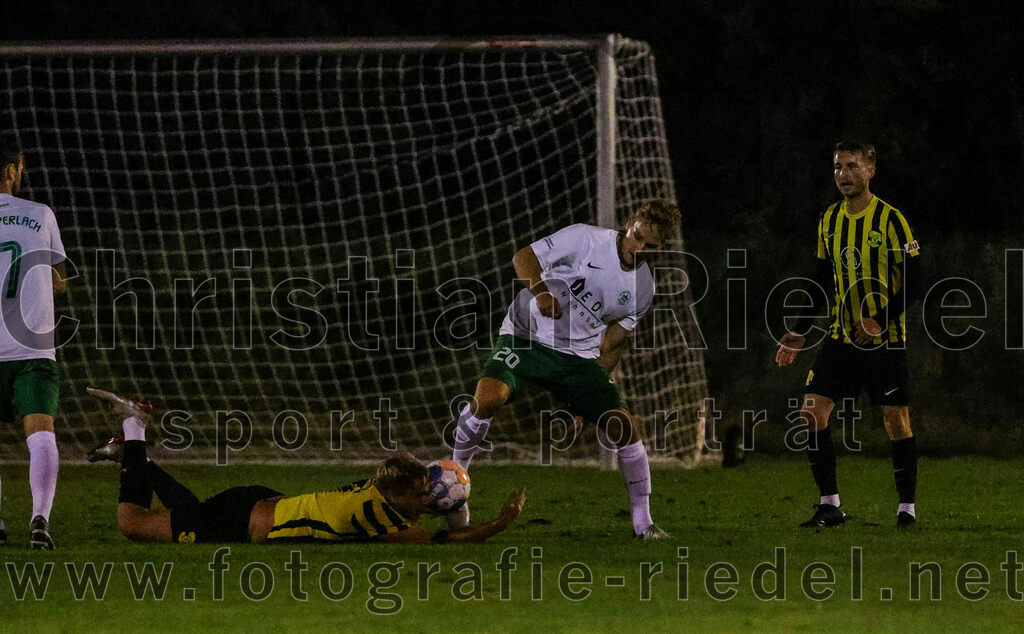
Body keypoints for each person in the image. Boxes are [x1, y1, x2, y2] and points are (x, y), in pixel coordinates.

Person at [450, 200, 680, 540]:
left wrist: (588, 401)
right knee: (488, 401)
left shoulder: (643, 289)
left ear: (660, 248)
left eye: (650, 245)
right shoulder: (585, 238)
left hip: (578, 359)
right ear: (630, 223)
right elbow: (523, 257)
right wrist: (541, 292)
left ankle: (643, 522)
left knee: (624, 426)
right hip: (526, 337)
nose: (639, 247)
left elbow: (614, 344)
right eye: (637, 236)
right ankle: (456, 488)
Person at [86, 388, 525, 545]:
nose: (426, 500)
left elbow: (420, 509)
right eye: (419, 495)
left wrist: (434, 503)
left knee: (188, 514)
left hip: (251, 508)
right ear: (395, 498)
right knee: (132, 524)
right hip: (241, 520)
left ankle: (131, 448)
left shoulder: (378, 490)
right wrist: (499, 523)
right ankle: (134, 428)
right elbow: (444, 542)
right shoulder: (374, 515)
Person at [776, 141, 922, 530]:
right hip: (841, 339)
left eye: (852, 166)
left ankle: (906, 509)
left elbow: (914, 280)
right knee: (811, 412)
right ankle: (830, 506)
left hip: (885, 340)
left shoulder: (892, 221)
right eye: (838, 166)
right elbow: (822, 279)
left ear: (870, 170)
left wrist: (879, 319)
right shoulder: (829, 220)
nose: (843, 174)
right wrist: (799, 331)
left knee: (896, 420)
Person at [0, 140, 68, 549]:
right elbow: (60, 281)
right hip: (32, 346)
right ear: (11, 171)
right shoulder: (40, 214)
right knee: (41, 432)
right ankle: (39, 520)